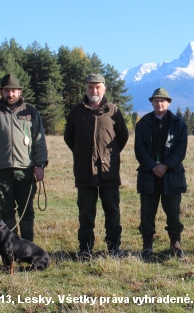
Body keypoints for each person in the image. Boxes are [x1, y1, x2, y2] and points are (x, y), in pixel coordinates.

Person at [64, 74, 129, 258]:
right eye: (91, 87)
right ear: (86, 89)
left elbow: (122, 137)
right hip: (84, 173)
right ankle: (85, 249)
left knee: (112, 212)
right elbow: (69, 138)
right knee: (85, 214)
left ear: (104, 89)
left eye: (98, 87)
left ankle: (114, 247)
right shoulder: (76, 112)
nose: (94, 90)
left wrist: (109, 156)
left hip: (109, 172)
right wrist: (82, 156)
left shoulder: (113, 111)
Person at [0, 73, 48, 242]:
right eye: (7, 91)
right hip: (0, 172)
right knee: (6, 210)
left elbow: (39, 140)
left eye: (14, 91)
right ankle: (11, 248)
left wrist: (40, 165)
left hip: (26, 170)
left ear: (19, 91)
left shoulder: (30, 111)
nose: (11, 94)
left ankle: (28, 246)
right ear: (1, 92)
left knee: (27, 210)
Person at [134, 88, 188, 258]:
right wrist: (153, 166)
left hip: (172, 176)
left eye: (163, 100)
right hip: (148, 175)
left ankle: (175, 244)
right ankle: (147, 245)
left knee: (173, 212)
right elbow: (139, 148)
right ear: (152, 102)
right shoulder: (142, 124)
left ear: (169, 102)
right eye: (156, 100)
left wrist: (165, 166)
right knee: (147, 213)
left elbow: (181, 149)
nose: (159, 103)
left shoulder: (179, 124)